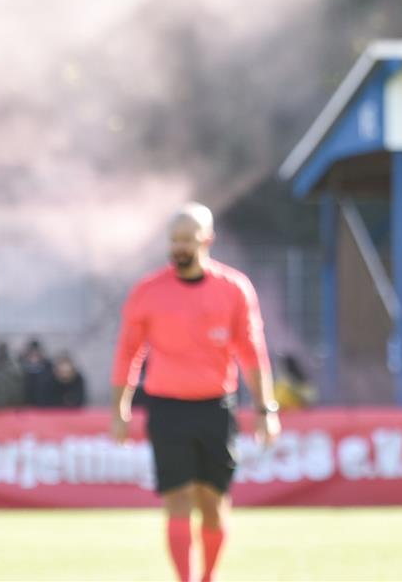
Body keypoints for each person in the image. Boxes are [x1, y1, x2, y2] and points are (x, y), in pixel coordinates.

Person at [110, 202, 279, 582]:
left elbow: (253, 353)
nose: (179, 247)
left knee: (214, 504)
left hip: (215, 408)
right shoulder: (148, 291)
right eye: (174, 240)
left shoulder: (234, 289)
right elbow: (128, 353)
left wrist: (267, 409)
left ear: (207, 240)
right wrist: (119, 409)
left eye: (187, 239)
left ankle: (209, 576)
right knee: (178, 499)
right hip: (167, 409)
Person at [18, 339, 54, 407]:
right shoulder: (20, 368)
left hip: (44, 407)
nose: (34, 357)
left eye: (36, 354)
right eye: (31, 354)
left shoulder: (48, 368)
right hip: (24, 407)